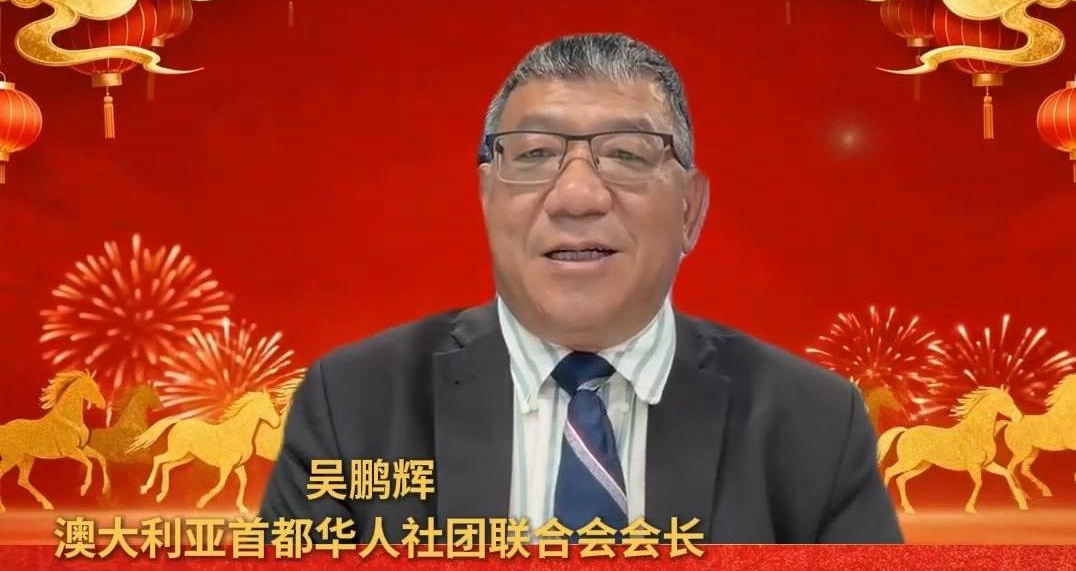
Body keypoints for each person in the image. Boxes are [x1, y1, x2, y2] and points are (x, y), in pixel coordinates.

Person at [259, 32, 903, 544]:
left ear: (690, 210)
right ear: (486, 197)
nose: (576, 196)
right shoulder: (354, 404)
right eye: (534, 154)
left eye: (627, 154)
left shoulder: (813, 424)